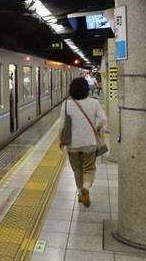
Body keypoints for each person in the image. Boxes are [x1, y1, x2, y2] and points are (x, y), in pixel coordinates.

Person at [58, 77, 107, 207]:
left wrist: (60, 141)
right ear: (86, 89)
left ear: (71, 90)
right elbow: (103, 119)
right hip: (90, 143)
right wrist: (96, 127)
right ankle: (86, 187)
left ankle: (80, 193)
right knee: (89, 168)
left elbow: (61, 125)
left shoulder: (66, 104)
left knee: (77, 169)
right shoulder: (94, 103)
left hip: (72, 145)